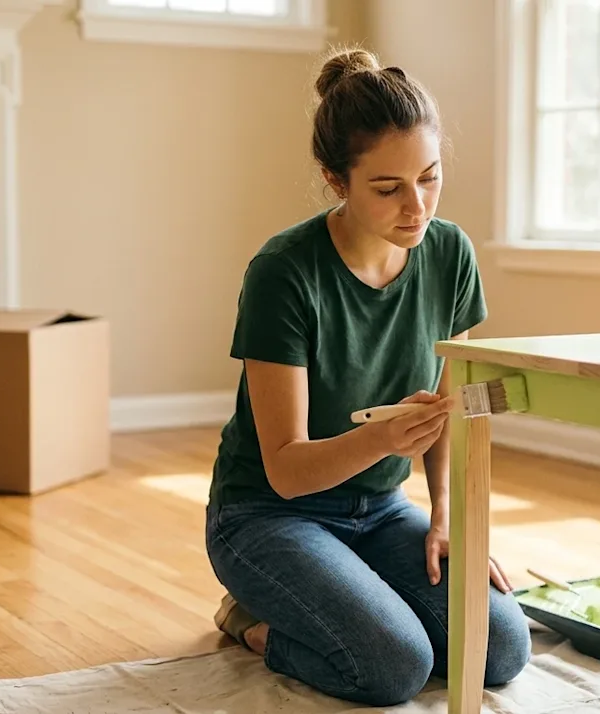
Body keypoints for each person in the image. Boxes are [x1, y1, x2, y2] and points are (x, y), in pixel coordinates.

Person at [204, 46, 532, 707]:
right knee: (393, 665)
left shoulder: (449, 254)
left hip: (380, 509)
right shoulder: (284, 273)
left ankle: (344, 594)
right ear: (337, 180)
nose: (418, 207)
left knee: (499, 649)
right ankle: (251, 619)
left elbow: (453, 404)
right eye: (388, 188)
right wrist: (386, 440)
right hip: (269, 516)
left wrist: (446, 513)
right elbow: (287, 470)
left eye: (430, 178)